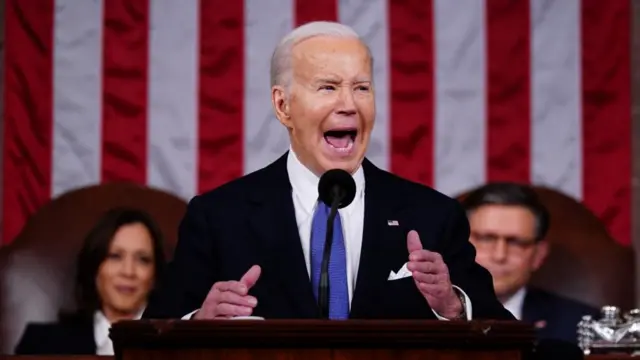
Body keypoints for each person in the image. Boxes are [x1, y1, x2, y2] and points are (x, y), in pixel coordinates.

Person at [142, 21, 513, 322]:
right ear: (283, 105)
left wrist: (450, 305)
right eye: (328, 87)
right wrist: (200, 323)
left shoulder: (432, 216)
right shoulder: (219, 217)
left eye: (361, 88)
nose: (349, 104)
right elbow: (152, 335)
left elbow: (503, 335)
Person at [15, 208, 167, 355]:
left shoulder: (179, 346)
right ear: (94, 267)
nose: (128, 272)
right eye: (115, 256)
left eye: (143, 260)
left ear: (155, 275)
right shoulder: (40, 344)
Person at [460, 182, 599, 343]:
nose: (500, 255)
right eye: (486, 239)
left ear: (539, 255)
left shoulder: (582, 327)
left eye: (515, 242)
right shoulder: (425, 314)